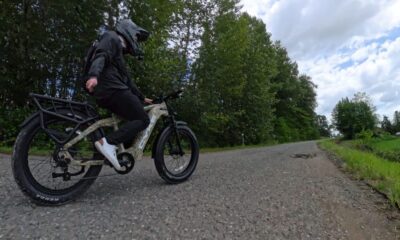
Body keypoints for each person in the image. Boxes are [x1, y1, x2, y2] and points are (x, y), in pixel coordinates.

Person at [85, 19, 152, 170]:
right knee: (142, 119)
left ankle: (114, 151)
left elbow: (127, 80)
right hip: (112, 88)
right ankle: (108, 143)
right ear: (128, 31)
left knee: (131, 118)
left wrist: (142, 98)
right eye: (136, 37)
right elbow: (101, 54)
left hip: (110, 89)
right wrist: (93, 75)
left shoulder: (118, 54)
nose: (136, 41)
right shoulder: (112, 37)